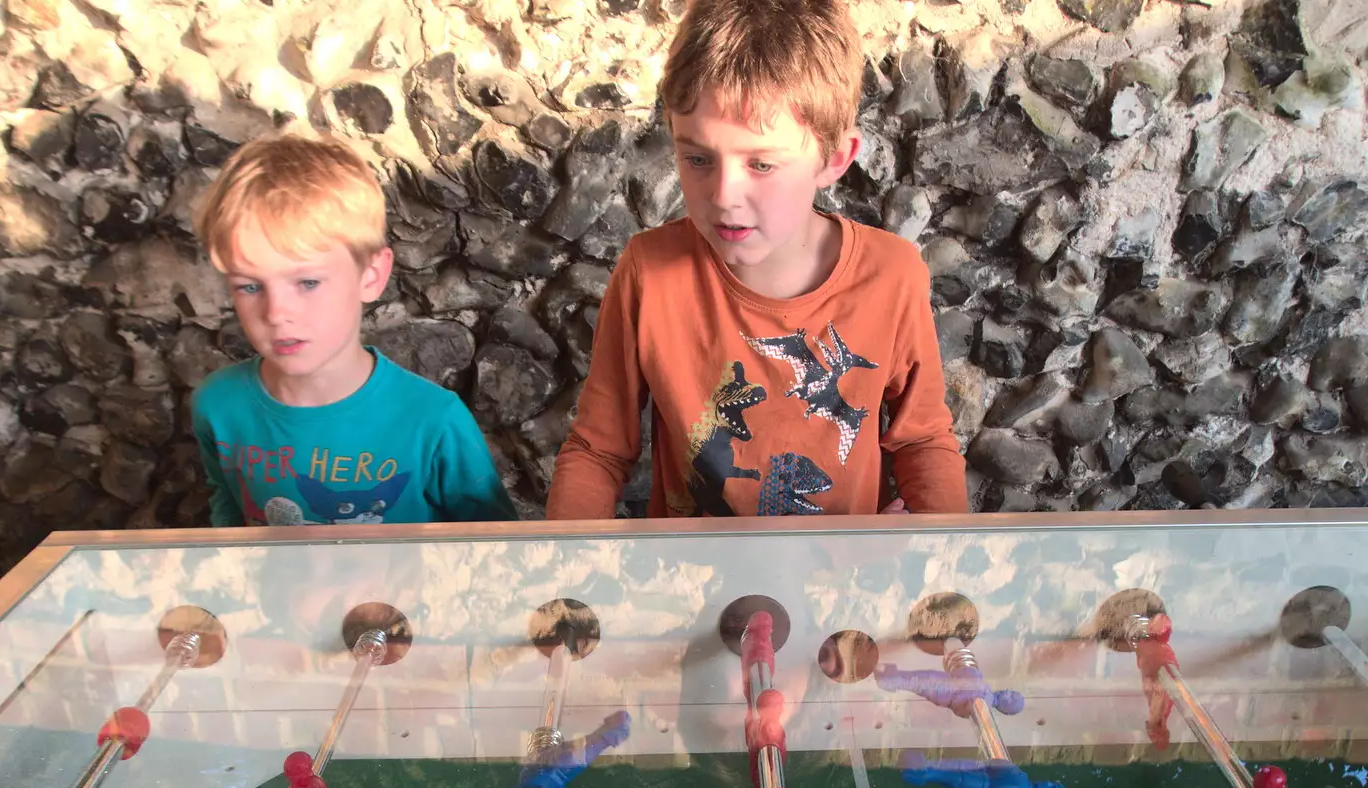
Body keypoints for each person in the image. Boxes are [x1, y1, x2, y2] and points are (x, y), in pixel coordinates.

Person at [545, 0, 968, 520]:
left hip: (838, 582)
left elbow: (923, 442)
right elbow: (597, 450)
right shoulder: (647, 272)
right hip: (694, 584)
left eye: (762, 163)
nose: (724, 195)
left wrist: (940, 562)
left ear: (834, 158)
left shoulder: (892, 275)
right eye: (697, 158)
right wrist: (571, 578)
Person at [190, 135, 515, 527]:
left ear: (371, 275)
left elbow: (494, 549)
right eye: (250, 286)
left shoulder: (434, 422)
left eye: (307, 282)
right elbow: (227, 509)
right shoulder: (217, 405)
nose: (276, 313)